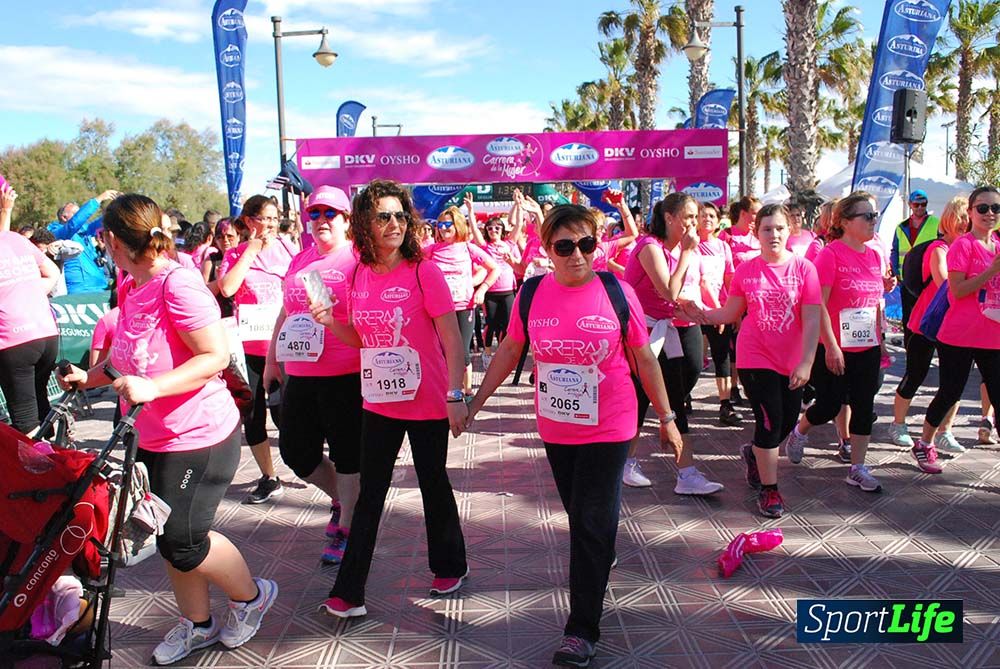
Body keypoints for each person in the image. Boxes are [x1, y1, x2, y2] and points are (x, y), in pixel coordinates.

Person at [58, 194, 277, 666]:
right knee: (164, 536)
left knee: (183, 538)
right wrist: (88, 377)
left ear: (112, 240)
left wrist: (152, 387)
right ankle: (197, 625)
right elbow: (125, 356)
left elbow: (215, 357)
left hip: (200, 438)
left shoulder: (179, 285)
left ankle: (252, 596)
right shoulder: (132, 284)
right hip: (153, 438)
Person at [464, 204, 683, 668]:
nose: (577, 255)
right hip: (559, 426)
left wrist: (666, 418)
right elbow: (509, 349)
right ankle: (601, 551)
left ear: (597, 244)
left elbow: (645, 359)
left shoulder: (617, 291)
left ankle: (581, 630)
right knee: (582, 514)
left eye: (586, 244)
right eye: (564, 246)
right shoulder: (531, 293)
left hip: (613, 423)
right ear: (548, 250)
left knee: (589, 522)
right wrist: (475, 402)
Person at [313, 179, 469, 619]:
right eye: (384, 216)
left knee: (432, 482)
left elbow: (452, 341)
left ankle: (450, 564)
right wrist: (328, 321)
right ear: (365, 222)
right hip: (379, 400)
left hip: (426, 399)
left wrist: (456, 394)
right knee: (369, 493)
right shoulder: (359, 273)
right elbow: (363, 339)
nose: (395, 223)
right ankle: (349, 591)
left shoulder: (425, 270)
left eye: (400, 215)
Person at [691, 204, 820, 517]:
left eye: (779, 228)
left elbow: (813, 319)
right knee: (769, 421)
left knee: (786, 423)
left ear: (789, 231)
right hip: (754, 356)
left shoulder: (804, 269)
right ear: (756, 232)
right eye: (766, 229)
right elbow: (730, 312)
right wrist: (699, 314)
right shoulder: (747, 269)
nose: (773, 234)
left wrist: (806, 362)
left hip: (791, 360)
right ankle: (770, 489)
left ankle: (753, 453)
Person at [263, 186, 362, 565]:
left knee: (348, 454)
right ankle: (345, 498)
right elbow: (285, 312)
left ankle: (349, 521)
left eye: (330, 213)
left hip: (345, 371)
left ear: (346, 219)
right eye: (315, 214)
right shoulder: (300, 260)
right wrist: (272, 361)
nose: (321, 220)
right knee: (296, 452)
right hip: (300, 371)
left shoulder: (357, 259)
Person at [621, 192, 724, 494]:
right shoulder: (649, 247)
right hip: (643, 335)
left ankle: (682, 471)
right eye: (689, 217)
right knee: (648, 400)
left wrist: (685, 306)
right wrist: (688, 255)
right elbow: (666, 289)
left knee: (677, 392)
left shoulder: (675, 248)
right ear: (669, 218)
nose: (694, 224)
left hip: (667, 330)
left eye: (696, 217)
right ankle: (673, 470)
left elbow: (670, 295)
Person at [784, 192, 887, 492]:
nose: (873, 222)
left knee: (864, 406)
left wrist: (879, 338)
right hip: (833, 345)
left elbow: (872, 301)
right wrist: (830, 345)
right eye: (866, 216)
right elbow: (818, 305)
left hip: (867, 344)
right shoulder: (830, 254)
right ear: (844, 222)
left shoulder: (873, 255)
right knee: (829, 405)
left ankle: (857, 468)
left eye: (875, 216)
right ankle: (799, 431)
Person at [218, 195, 296, 504]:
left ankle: (310, 465)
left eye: (276, 219)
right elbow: (227, 289)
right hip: (247, 347)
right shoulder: (236, 252)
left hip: (284, 345)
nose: (273, 225)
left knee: (285, 414)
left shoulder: (289, 249)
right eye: (266, 218)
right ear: (250, 221)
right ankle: (269, 476)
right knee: (253, 414)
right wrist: (250, 249)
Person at [916, 186, 1000, 467]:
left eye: (996, 208)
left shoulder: (998, 245)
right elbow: (958, 289)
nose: (990, 214)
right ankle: (925, 442)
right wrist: (991, 271)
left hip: (993, 335)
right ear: (971, 212)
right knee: (950, 393)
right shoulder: (963, 245)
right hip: (959, 335)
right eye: (983, 208)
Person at [889, 196, 969, 456]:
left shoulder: (971, 248)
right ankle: (898, 425)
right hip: (927, 322)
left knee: (952, 382)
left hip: (956, 325)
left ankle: (944, 431)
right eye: (962, 216)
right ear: (951, 219)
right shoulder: (939, 249)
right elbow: (947, 284)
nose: (967, 222)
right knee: (916, 374)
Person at [0, 193, 61, 435]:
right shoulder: (15, 239)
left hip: (14, 340)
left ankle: (41, 469)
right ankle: (58, 463)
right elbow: (52, 272)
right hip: (45, 333)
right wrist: (29, 295)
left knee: (25, 421)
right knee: (41, 404)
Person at [425, 199, 499, 397]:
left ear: (457, 225)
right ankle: (445, 391)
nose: (443, 228)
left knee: (463, 353)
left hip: (464, 307)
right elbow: (410, 265)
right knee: (441, 352)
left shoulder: (467, 248)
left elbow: (494, 268)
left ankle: (466, 393)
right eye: (440, 225)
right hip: (440, 310)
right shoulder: (431, 250)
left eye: (448, 224)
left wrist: (482, 289)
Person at [696, 201, 743, 427]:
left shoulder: (723, 247)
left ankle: (725, 404)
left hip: (720, 309)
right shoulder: (690, 246)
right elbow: (702, 281)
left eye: (712, 216)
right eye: (703, 216)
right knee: (693, 360)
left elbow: (730, 279)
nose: (707, 219)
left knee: (722, 355)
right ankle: (683, 397)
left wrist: (732, 310)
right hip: (694, 310)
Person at [891, 189, 941, 345]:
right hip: (907, 279)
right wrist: (896, 273)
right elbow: (895, 250)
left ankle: (929, 346)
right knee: (909, 316)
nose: (920, 207)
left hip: (927, 279)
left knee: (928, 314)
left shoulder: (936, 223)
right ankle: (909, 347)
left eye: (923, 204)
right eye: (916, 204)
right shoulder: (901, 227)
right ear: (910, 205)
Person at [47, 189, 119, 293]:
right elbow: (74, 224)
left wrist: (116, 206)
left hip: (100, 286)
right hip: (80, 290)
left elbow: (104, 220)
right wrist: (98, 199)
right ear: (64, 217)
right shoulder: (58, 232)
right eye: (76, 213)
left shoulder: (85, 230)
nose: (81, 215)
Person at [201, 218, 240, 317]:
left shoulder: (244, 257)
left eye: (230, 236)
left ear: (238, 236)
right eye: (220, 237)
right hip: (220, 316)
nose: (225, 241)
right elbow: (203, 293)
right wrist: (219, 281)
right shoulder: (211, 260)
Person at [30, 228, 84, 297]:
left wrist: (61, 243)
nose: (42, 253)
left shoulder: (57, 254)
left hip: (57, 298)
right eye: (38, 249)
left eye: (44, 250)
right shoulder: (29, 256)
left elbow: (79, 248)